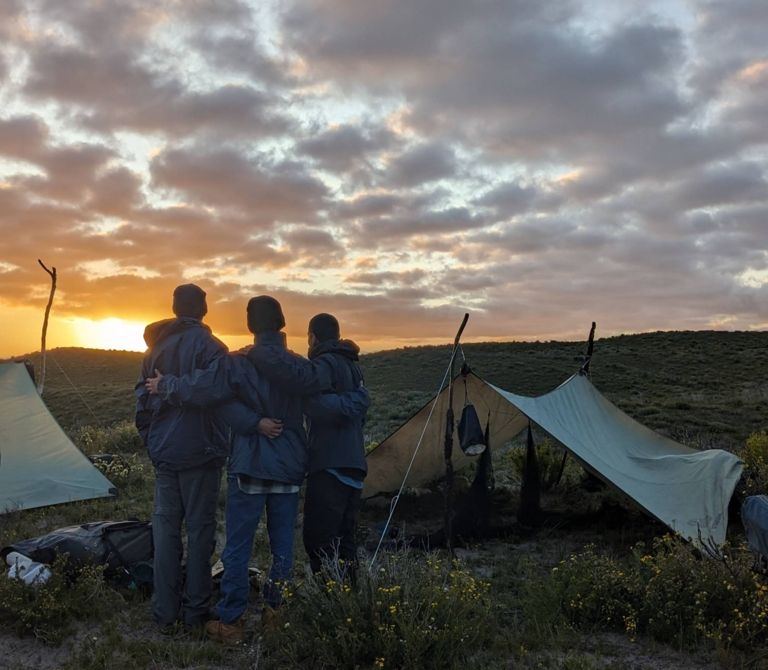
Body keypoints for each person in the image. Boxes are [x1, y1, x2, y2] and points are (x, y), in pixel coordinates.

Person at [147, 296, 368, 644]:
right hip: (289, 468)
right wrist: (360, 396)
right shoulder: (299, 367)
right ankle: (274, 615)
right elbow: (325, 392)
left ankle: (231, 621)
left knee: (238, 546)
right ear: (282, 323)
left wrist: (167, 385)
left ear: (251, 325)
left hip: (249, 467)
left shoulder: (237, 363)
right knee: (283, 548)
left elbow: (208, 392)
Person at [135, 284, 245, 632]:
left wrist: (153, 442)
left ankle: (165, 613)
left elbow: (141, 405)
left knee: (166, 533)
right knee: (199, 533)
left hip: (166, 456)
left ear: (174, 308)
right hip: (202, 454)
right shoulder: (213, 348)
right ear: (204, 309)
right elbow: (214, 388)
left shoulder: (154, 351)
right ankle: (196, 612)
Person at [247, 312, 368, 576]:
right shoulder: (352, 366)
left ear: (312, 337)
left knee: (319, 540)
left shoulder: (326, 362)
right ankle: (351, 595)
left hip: (331, 465)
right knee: (345, 540)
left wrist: (259, 354)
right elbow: (360, 413)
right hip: (355, 465)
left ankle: (329, 596)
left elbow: (300, 381)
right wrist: (358, 401)